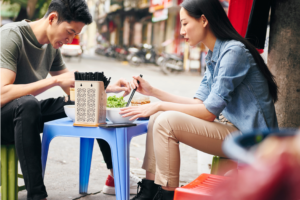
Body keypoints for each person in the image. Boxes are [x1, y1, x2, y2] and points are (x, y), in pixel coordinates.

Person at [120, 0, 278, 199]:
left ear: (203, 20)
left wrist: (158, 105)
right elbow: (198, 104)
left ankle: (167, 195)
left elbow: (208, 113)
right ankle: (150, 190)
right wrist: (153, 92)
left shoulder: (234, 52)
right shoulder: (214, 55)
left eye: (185, 24)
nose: (182, 31)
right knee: (158, 116)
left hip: (251, 139)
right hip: (231, 130)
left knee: (165, 120)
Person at [0, 0, 139, 199]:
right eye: (70, 31)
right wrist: (54, 81)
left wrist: (109, 88)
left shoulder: (50, 46)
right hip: (5, 119)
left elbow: (74, 84)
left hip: (24, 115)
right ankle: (37, 195)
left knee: (89, 101)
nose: (70, 39)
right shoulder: (12, 35)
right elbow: (2, 94)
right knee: (28, 104)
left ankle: (114, 176)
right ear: (52, 18)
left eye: (75, 35)